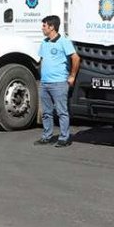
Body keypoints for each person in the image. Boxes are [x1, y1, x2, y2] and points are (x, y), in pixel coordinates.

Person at [33, 15, 79, 148]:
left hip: (59, 82)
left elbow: (75, 58)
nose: (42, 28)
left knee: (61, 111)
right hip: (45, 82)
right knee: (46, 112)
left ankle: (64, 137)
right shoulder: (44, 42)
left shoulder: (64, 41)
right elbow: (42, 60)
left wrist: (72, 76)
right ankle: (46, 136)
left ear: (52, 27)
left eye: (44, 25)